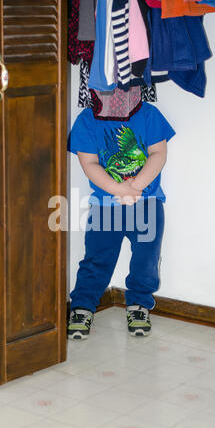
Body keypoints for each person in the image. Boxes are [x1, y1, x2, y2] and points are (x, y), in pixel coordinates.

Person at [68, 86, 176, 339]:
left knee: (146, 258)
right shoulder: (86, 119)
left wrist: (135, 187)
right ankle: (82, 307)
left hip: (147, 202)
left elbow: (158, 153)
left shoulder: (148, 114)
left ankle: (139, 304)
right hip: (106, 206)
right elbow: (89, 163)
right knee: (96, 259)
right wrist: (118, 189)